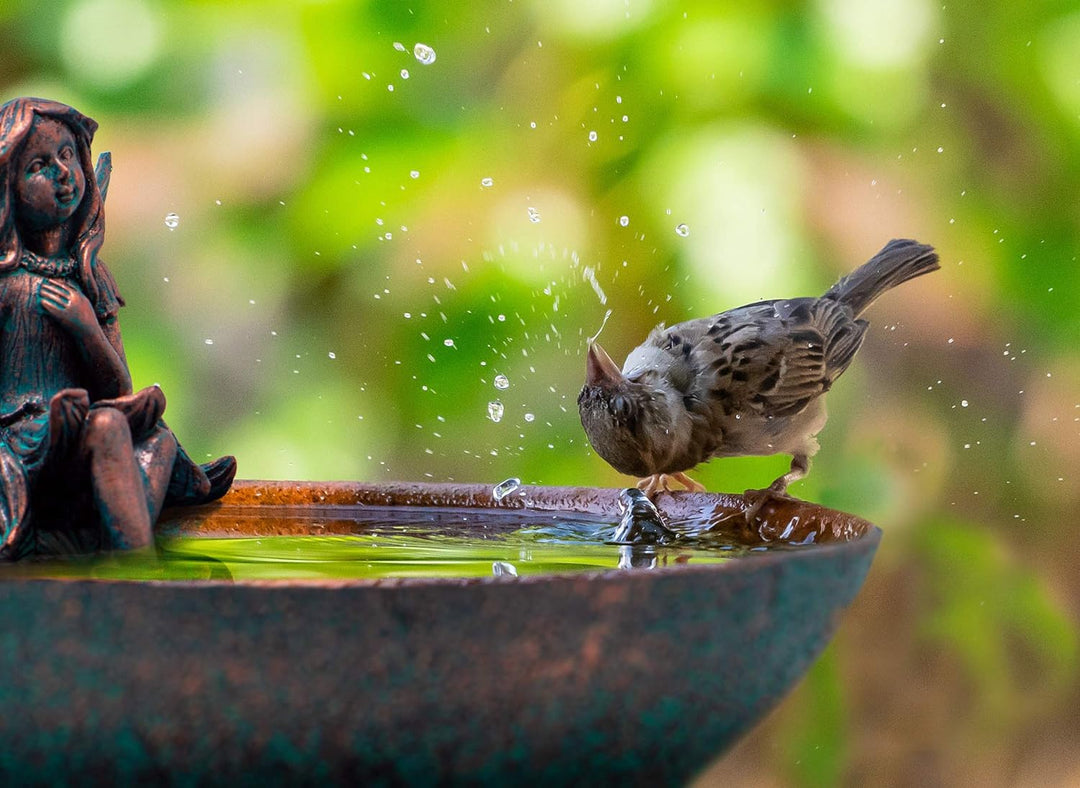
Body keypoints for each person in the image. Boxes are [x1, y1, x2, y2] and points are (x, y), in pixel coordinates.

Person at [0, 97, 234, 558]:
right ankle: (136, 569)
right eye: (39, 166)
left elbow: (117, 387)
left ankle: (99, 546)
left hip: (76, 433)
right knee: (108, 427)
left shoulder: (91, 278)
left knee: (157, 441)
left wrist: (85, 326)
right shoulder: (7, 286)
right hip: (20, 440)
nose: (62, 173)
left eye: (67, 155)